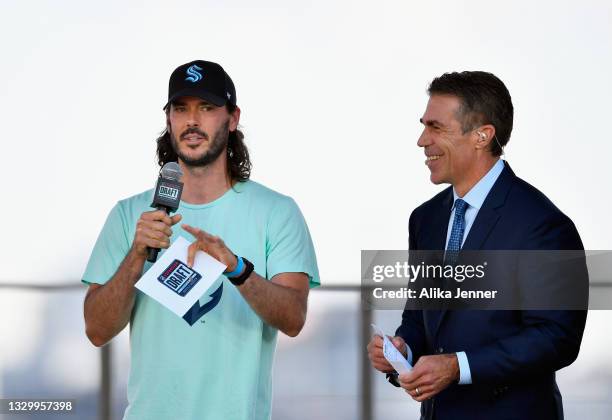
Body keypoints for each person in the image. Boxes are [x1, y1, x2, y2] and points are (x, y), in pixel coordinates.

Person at [82, 60, 319, 420]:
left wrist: (236, 269)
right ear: (169, 120)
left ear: (233, 118)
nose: (192, 120)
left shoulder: (276, 212)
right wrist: (136, 256)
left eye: (206, 108)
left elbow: (293, 318)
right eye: (181, 109)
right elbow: (97, 330)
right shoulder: (129, 215)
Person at [367, 71, 587, 420]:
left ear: (482, 135)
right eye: (424, 126)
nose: (422, 140)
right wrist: (404, 348)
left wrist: (459, 367)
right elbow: (420, 315)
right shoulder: (425, 219)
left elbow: (557, 337)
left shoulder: (542, 224)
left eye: (436, 127)